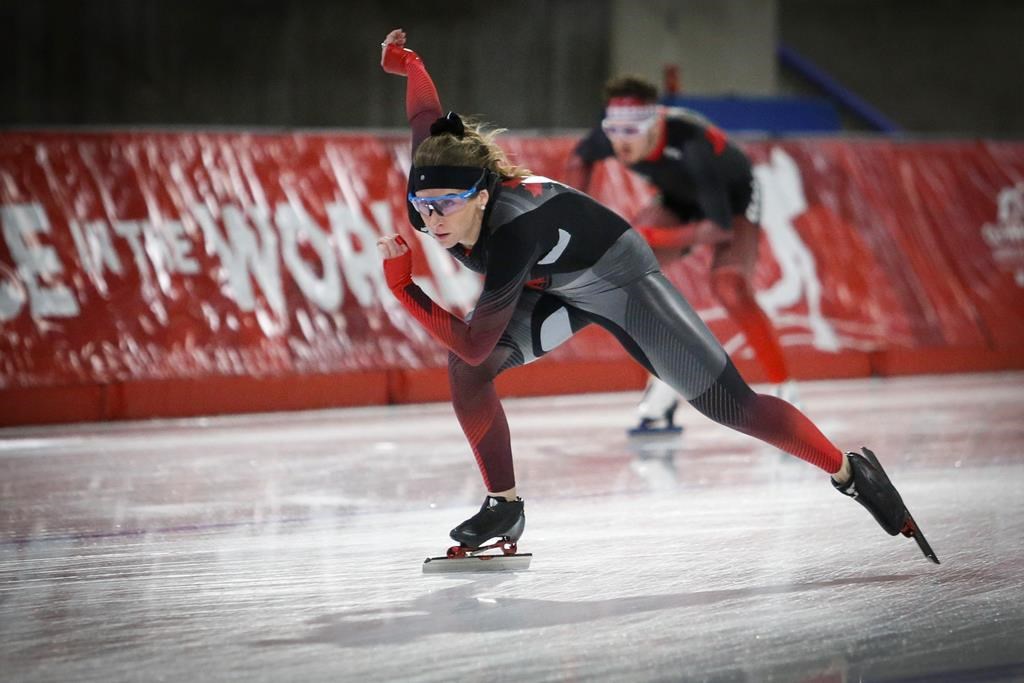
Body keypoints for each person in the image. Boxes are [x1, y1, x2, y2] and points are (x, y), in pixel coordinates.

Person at [375, 29, 937, 564]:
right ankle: (505, 506)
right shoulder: (430, 183)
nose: (433, 217)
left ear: (481, 195)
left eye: (448, 205)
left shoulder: (512, 227)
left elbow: (476, 343)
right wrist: (411, 64)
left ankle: (849, 472)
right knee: (467, 374)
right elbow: (426, 116)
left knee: (730, 405)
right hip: (552, 283)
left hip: (620, 277)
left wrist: (404, 287)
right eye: (425, 207)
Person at [564, 76, 797, 434]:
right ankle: (665, 384)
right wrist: (574, 213)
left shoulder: (692, 144)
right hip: (677, 199)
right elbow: (580, 158)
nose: (621, 141)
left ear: (656, 126)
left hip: (732, 204)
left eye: (632, 131)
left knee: (729, 285)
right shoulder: (609, 137)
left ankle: (785, 388)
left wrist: (649, 234)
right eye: (614, 129)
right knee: (628, 269)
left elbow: (717, 228)